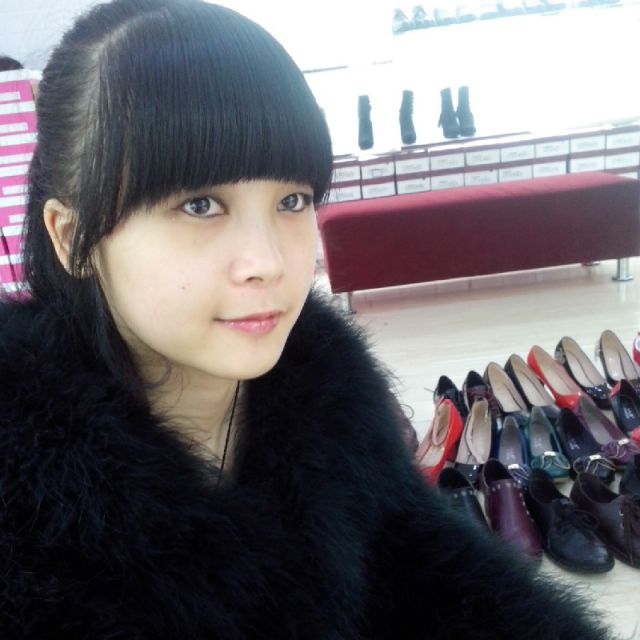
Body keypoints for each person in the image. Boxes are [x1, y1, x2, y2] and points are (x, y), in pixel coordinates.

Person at [0, 0, 612, 637]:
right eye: (200, 204)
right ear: (71, 238)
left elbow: (423, 560)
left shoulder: (328, 398)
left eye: (292, 200)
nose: (268, 262)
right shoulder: (22, 512)